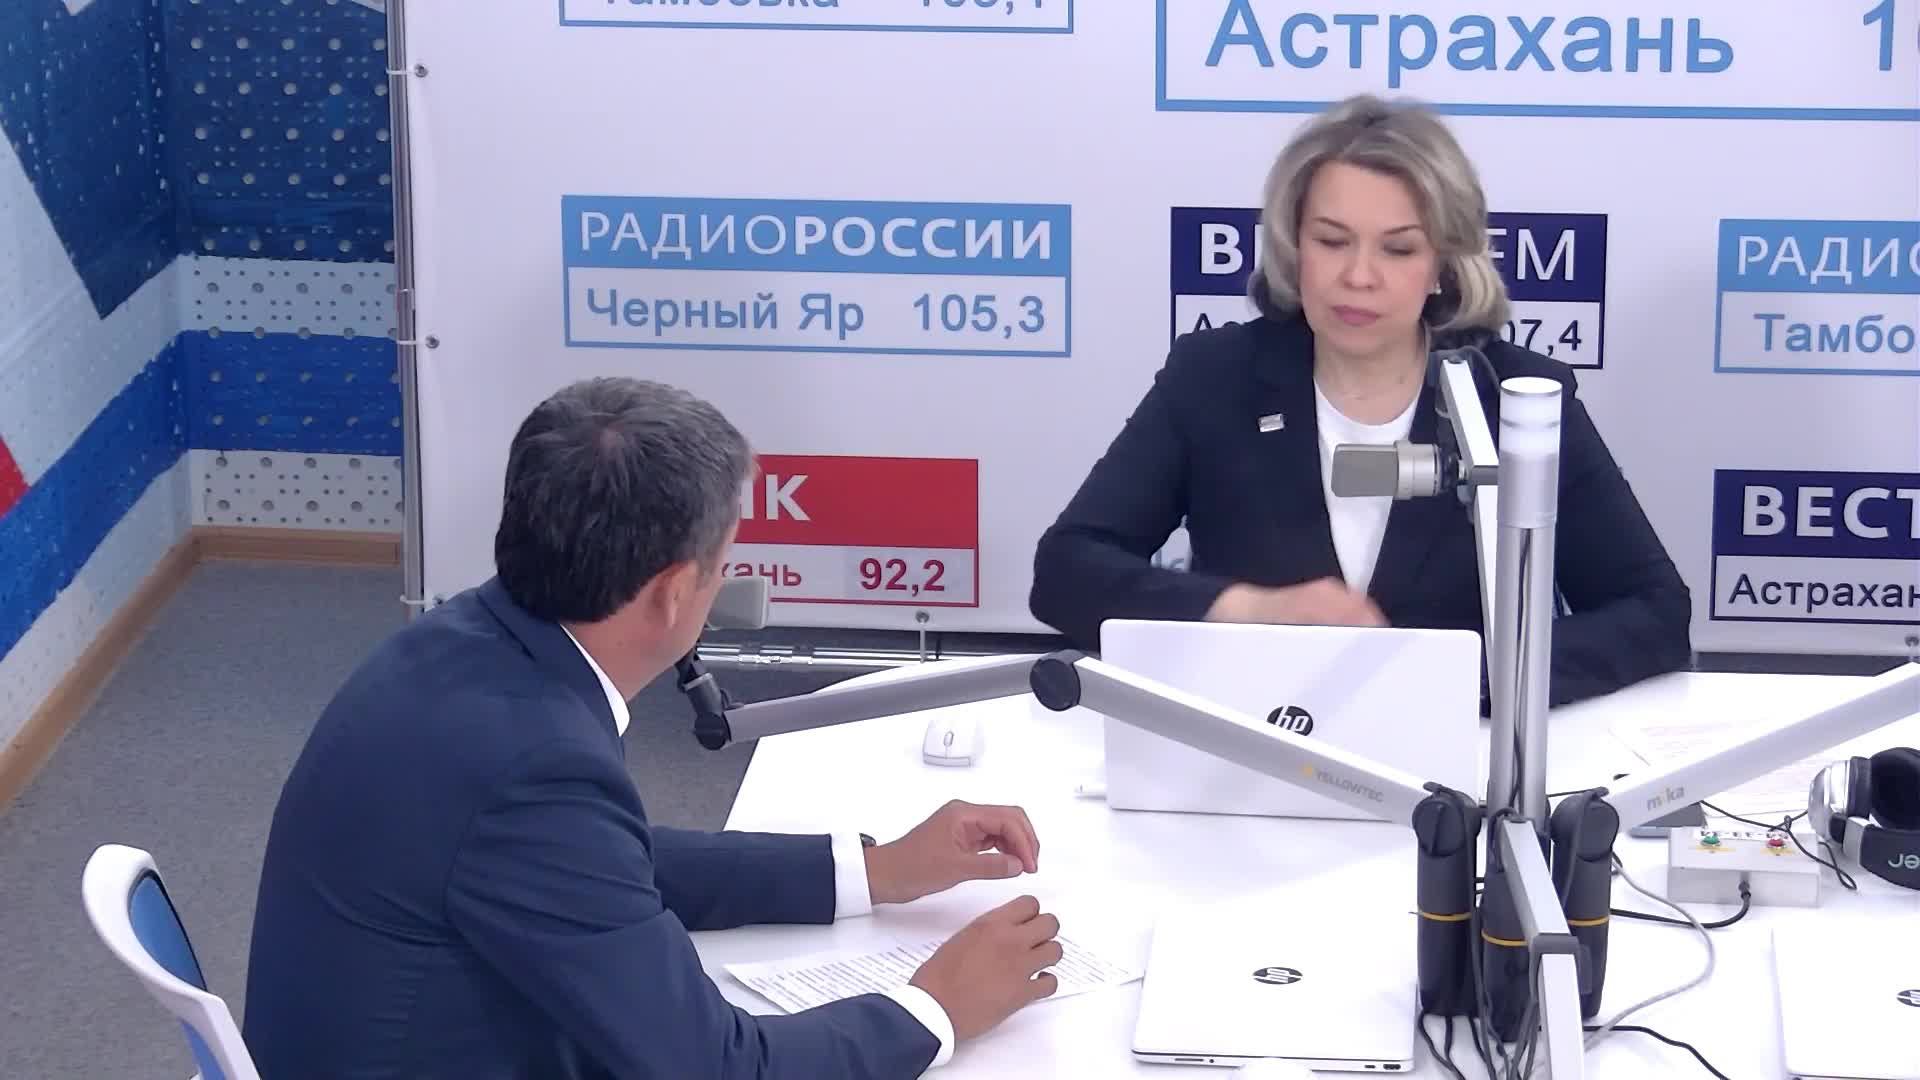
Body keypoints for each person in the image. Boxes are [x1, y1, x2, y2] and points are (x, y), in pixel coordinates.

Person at [243, 376, 1063, 1079]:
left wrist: (873, 870)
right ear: (673, 593)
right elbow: (718, 1068)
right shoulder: (531, 761)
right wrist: (936, 1008)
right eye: (723, 564)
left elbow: (604, 863)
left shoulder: (459, 645)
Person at [1029, 94, 1691, 708]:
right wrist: (1249, 611)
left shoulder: (1514, 399)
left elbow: (1656, 612)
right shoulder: (1214, 376)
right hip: (1252, 746)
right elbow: (1066, 571)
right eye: (1332, 240)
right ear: (1293, 245)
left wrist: (1451, 678)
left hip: (1453, 756)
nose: (1359, 276)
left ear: (1442, 265)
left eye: (1398, 249)